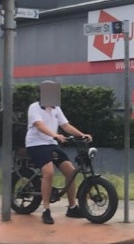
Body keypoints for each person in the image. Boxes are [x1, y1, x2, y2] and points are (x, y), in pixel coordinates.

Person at [25, 82, 92, 225]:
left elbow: (65, 125)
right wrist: (55, 135)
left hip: (51, 143)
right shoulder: (34, 107)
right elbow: (39, 125)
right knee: (48, 172)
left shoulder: (56, 109)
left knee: (71, 171)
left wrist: (82, 135)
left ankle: (72, 207)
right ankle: (46, 210)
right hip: (36, 144)